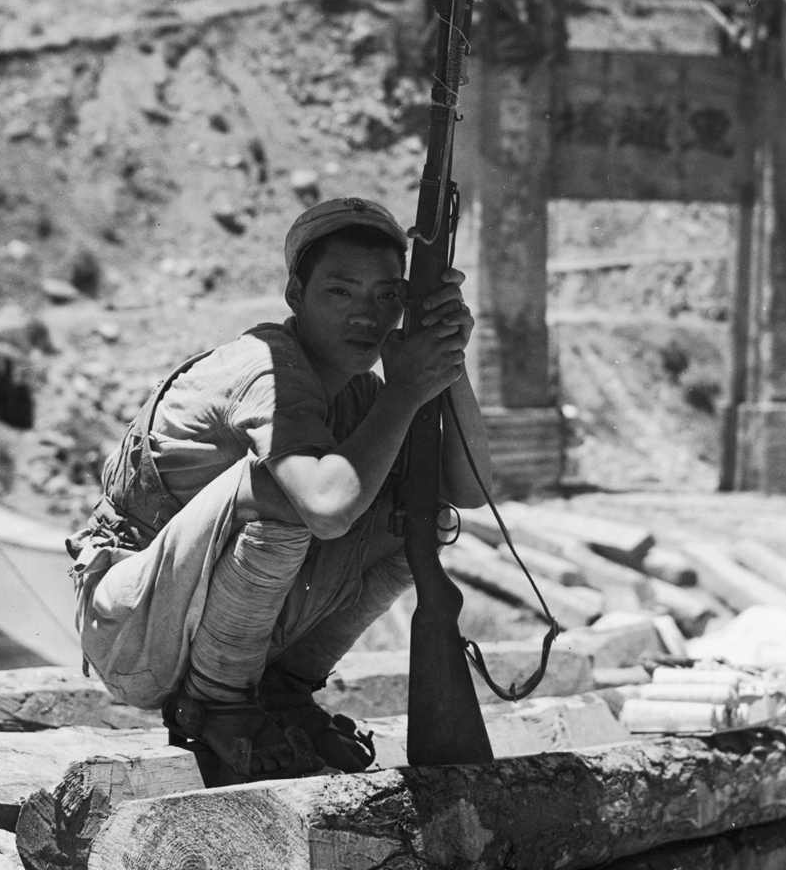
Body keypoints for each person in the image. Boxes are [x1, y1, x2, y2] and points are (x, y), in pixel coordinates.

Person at [68, 196, 492, 783]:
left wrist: (447, 360)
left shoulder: (356, 393)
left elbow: (466, 492)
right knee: (285, 494)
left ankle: (285, 693)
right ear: (296, 294)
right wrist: (404, 392)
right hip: (134, 635)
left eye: (387, 295)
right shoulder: (267, 367)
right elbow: (325, 506)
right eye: (339, 292)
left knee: (420, 514)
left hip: (204, 631)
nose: (366, 316)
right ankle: (218, 705)